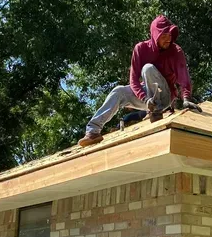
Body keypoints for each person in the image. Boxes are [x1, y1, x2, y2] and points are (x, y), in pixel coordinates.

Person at [78, 15, 201, 147]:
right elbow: (133, 79)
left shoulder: (175, 51)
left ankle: (157, 111)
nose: (168, 39)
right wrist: (144, 99)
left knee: (148, 69)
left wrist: (186, 98)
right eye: (164, 36)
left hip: (165, 96)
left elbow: (183, 76)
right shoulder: (141, 49)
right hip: (147, 98)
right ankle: (93, 131)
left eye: (170, 35)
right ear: (155, 35)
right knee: (118, 91)